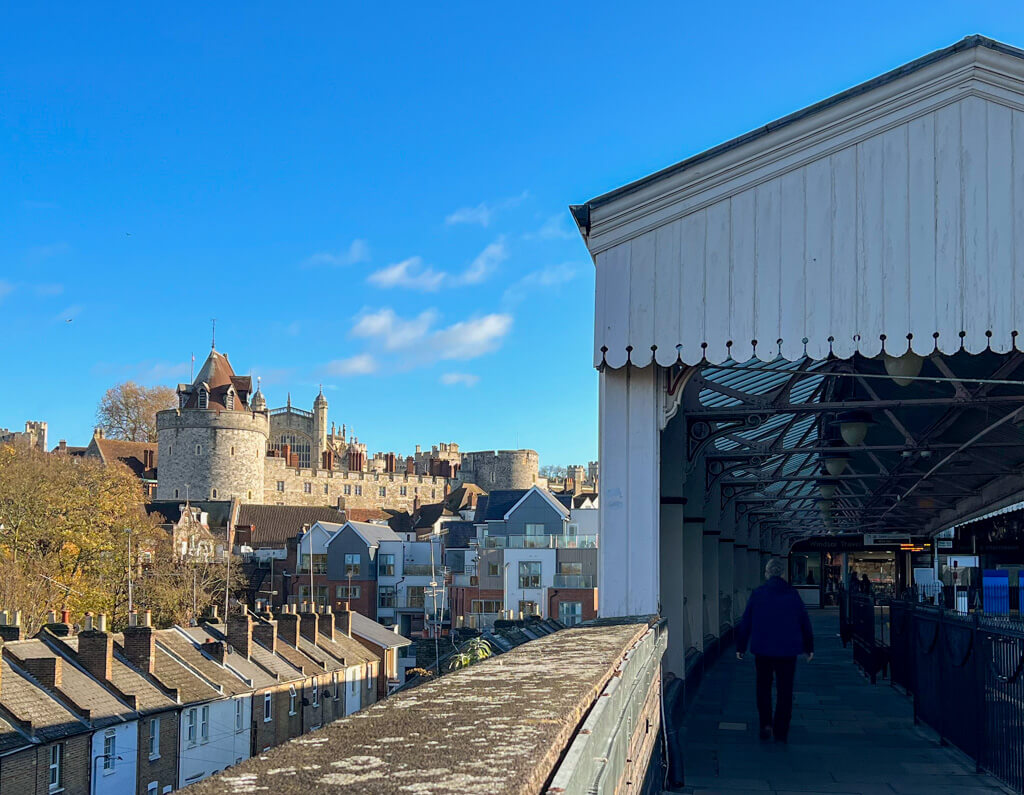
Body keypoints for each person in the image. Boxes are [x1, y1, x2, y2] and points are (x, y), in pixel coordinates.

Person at [735, 558, 814, 743]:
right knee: (785, 690)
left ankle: (765, 725)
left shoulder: (758, 593)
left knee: (763, 688)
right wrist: (808, 647)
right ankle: (781, 730)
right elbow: (804, 622)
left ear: (767, 573)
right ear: (783, 574)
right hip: (788, 651)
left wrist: (741, 646)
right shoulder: (793, 594)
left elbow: (746, 621)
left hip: (763, 650)